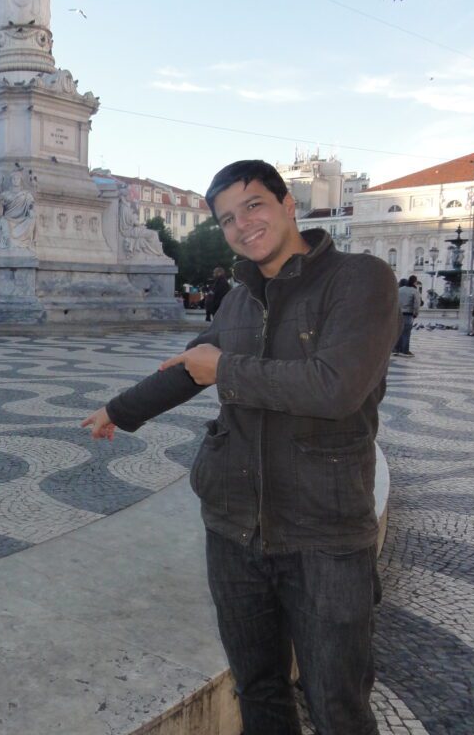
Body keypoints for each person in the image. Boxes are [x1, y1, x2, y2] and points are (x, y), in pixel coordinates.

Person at [81, 159, 398, 735]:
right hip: (233, 528)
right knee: (257, 689)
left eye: (253, 206)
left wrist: (224, 367)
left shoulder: (359, 279)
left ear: (288, 205)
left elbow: (335, 388)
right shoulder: (238, 299)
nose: (242, 225)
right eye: (227, 218)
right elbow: (188, 369)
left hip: (324, 533)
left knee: (338, 706)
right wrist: (118, 411)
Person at [393, 277, 420, 357]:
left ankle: (395, 349)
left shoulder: (400, 289)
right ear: (414, 282)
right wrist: (415, 313)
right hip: (408, 313)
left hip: (398, 313)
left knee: (398, 332)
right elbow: (417, 303)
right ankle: (405, 350)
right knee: (406, 333)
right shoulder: (414, 291)